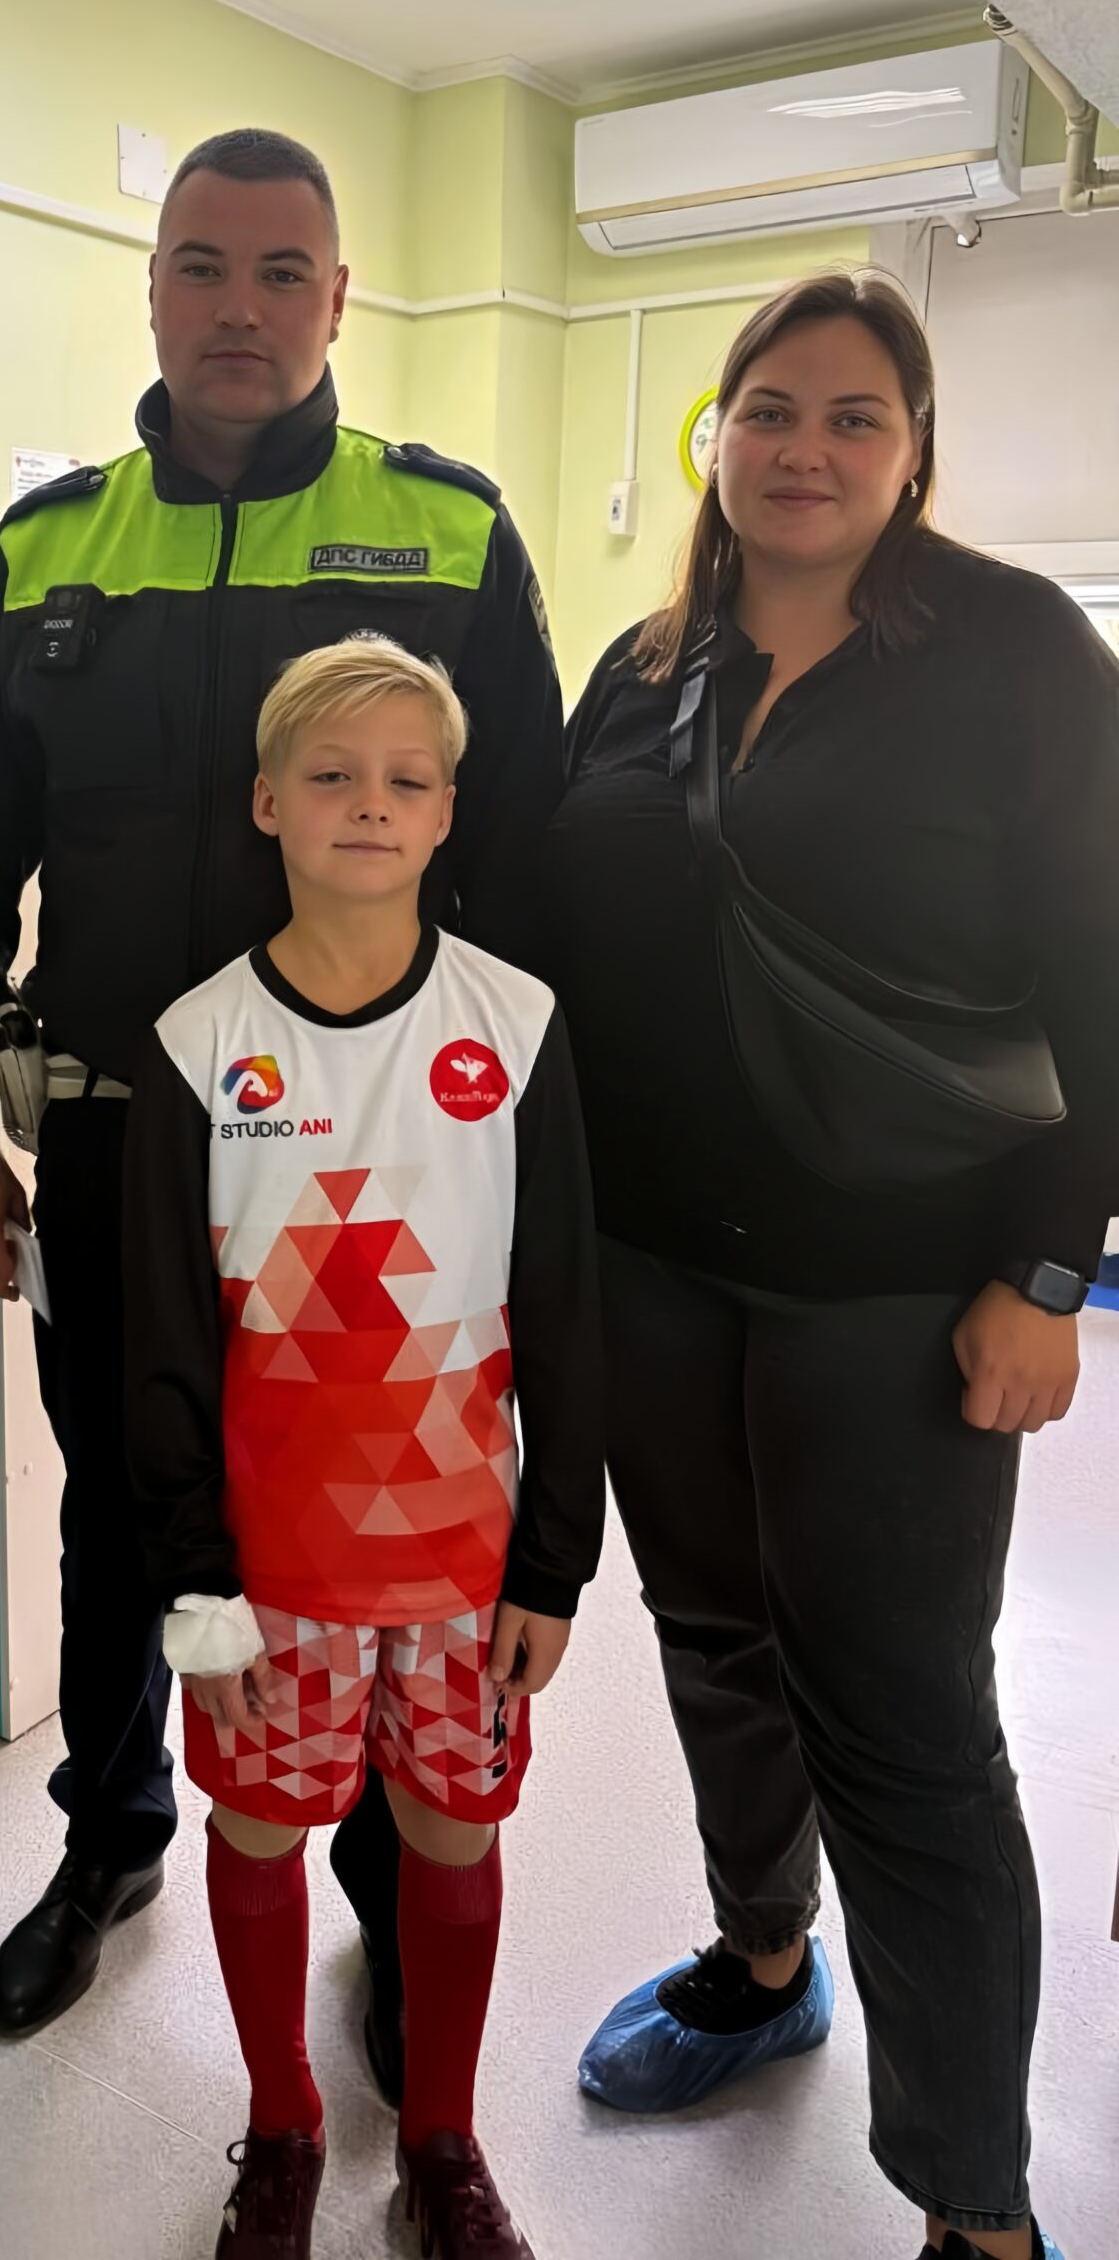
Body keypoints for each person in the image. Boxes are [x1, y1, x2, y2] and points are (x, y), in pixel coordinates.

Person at [0, 127, 564, 2071]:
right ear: (154, 287)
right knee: (128, 1505)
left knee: (366, 1522)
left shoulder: (445, 531)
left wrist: (528, 1139)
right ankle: (106, 1841)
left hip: (383, 1159)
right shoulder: (52, 546)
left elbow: (524, 862)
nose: (242, 307)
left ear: (339, 299)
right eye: (202, 264)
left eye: (284, 272)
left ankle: (378, 1890)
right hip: (121, 1137)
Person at [540, 271, 1119, 2260]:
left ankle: (976, 2201)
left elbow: (1103, 970)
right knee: (715, 1636)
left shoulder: (1018, 651)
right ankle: (763, 1956)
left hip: (902, 1284)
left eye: (855, 415)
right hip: (652, 1263)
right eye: (770, 410)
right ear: (715, 434)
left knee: (905, 1723)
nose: (805, 448)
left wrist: (1050, 1269)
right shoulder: (643, 668)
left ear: (915, 449)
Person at [121, 637, 603, 2260]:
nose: (369, 805)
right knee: (260, 1833)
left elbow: (567, 1311)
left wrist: (557, 1560)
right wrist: (196, 1594)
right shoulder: (196, 1043)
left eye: (407, 779)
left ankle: (445, 2142)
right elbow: (161, 1355)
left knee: (456, 1838)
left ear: (450, 811)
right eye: (330, 775)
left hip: (468, 1564)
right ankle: (284, 2127)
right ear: (267, 801)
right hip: (264, 1575)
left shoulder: (515, 1026)